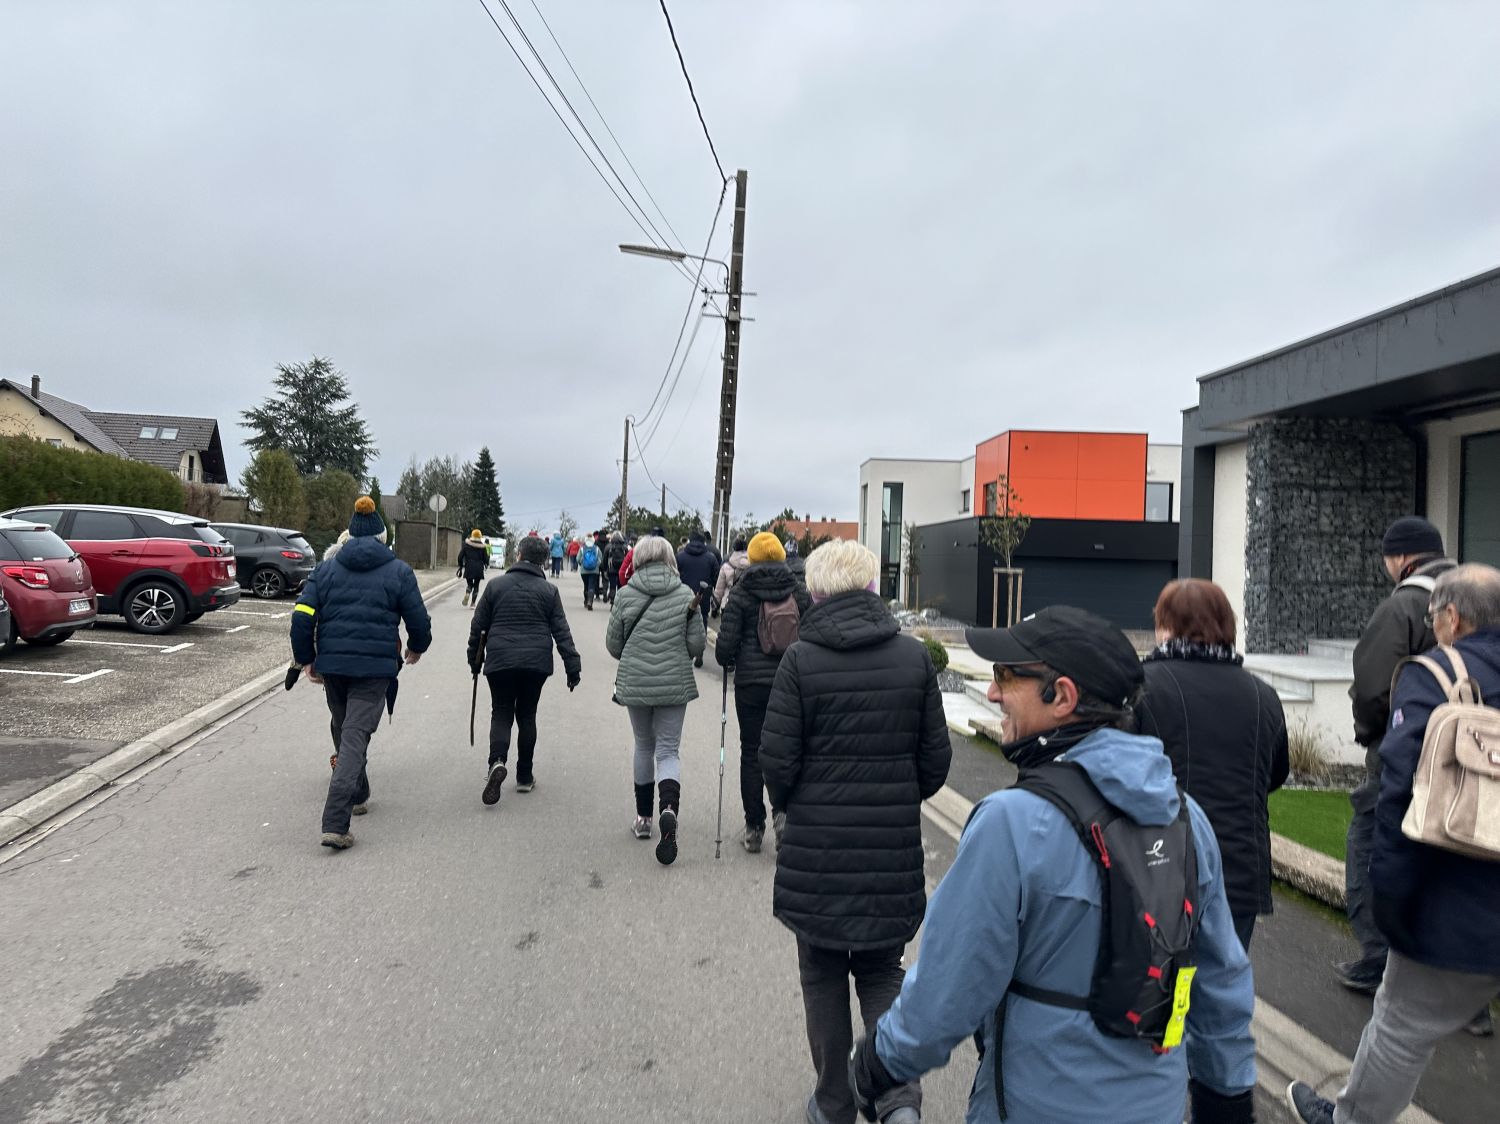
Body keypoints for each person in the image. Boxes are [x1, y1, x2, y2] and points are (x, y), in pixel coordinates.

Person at [849, 605, 1256, 1124]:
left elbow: (943, 998)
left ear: (1062, 697)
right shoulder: (1187, 818)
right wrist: (1228, 1098)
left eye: (1006, 676)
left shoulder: (1011, 823)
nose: (992, 692)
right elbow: (1220, 981)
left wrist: (877, 1064)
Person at [1287, 563, 1500, 1124]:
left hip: (1455, 890)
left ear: (1452, 617)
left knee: (1401, 1023)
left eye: (1434, 617)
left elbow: (1399, 790)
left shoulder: (1437, 674)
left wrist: (1392, 898)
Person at [758, 540, 949, 1124]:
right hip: (889, 852)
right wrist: (895, 797)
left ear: (814, 594)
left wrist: (794, 807)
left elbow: (777, 764)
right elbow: (935, 764)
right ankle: (897, 1100)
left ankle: (834, 1101)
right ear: (871, 587)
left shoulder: (800, 661)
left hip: (815, 855)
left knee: (821, 975)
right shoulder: (913, 658)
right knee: (881, 972)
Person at [1134, 578, 1289, 950]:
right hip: (1239, 872)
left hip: (1161, 864)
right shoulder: (1263, 695)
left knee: (1157, 979)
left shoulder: (1142, 687)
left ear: (1166, 626)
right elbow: (1275, 774)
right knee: (1223, 978)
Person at [1339, 517, 1457, 998]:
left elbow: (1373, 688)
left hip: (1405, 755)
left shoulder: (1405, 606)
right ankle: (1461, 990)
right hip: (1470, 760)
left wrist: (1371, 735)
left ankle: (1378, 960)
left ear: (1402, 557)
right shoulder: (1479, 598)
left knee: (1369, 846)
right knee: (1450, 860)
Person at [291, 496, 431, 850]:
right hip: (374, 668)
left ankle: (359, 791)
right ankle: (335, 822)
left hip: (334, 668)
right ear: (383, 537)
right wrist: (417, 646)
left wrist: (307, 658)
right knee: (353, 735)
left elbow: (302, 615)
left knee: (345, 729)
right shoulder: (399, 571)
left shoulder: (326, 571)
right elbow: (417, 618)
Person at [605, 535, 706, 866]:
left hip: (636, 682)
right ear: (669, 559)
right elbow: (696, 646)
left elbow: (614, 646)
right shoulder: (686, 595)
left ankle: (644, 820)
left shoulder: (625, 594)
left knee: (643, 745)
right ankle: (668, 809)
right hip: (674, 683)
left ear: (638, 559)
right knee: (668, 750)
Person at [716, 532, 812, 853]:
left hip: (751, 686)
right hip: (790, 683)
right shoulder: (799, 592)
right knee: (788, 751)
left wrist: (732, 658)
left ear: (753, 557)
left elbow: (724, 649)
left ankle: (754, 828)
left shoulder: (742, 593)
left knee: (752, 752)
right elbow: (812, 635)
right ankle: (783, 816)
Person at [468, 535, 581, 805]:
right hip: (535, 663)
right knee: (527, 715)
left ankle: (497, 762)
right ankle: (524, 776)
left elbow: (478, 626)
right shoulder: (549, 591)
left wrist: (474, 659)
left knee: (501, 712)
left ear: (518, 555)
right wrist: (572, 666)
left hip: (500, 660)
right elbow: (562, 631)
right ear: (543, 561)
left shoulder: (495, 586)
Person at [676, 530, 721, 665]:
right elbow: (716, 577)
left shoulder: (680, 557)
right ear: (704, 542)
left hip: (683, 594)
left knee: (682, 622)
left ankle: (682, 652)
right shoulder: (711, 558)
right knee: (702, 622)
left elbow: (674, 575)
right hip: (703, 595)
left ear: (690, 540)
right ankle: (699, 653)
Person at [713, 535, 750, 614]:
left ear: (734, 548)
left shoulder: (726, 565)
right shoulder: (752, 565)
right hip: (747, 605)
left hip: (728, 603)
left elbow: (719, 589)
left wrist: (715, 606)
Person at [457, 529, 489, 608]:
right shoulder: (483, 547)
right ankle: (473, 603)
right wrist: (486, 564)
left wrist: (460, 566)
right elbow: (486, 558)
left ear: (472, 535)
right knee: (476, 585)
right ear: (480, 537)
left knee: (470, 584)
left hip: (469, 567)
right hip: (479, 568)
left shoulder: (467, 545)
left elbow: (460, 557)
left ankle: (468, 592)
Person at [578, 533, 603, 610]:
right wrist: (596, 565)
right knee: (591, 586)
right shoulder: (596, 548)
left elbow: (578, 559)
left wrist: (582, 564)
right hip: (594, 571)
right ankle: (590, 602)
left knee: (586, 585)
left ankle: (586, 601)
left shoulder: (582, 548)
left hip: (584, 571)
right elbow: (600, 558)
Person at [604, 531, 628, 604]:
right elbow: (627, 559)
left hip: (611, 569)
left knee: (612, 586)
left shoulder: (609, 547)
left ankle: (612, 599)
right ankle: (619, 601)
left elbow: (605, 559)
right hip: (622, 570)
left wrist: (605, 569)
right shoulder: (624, 547)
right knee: (620, 586)